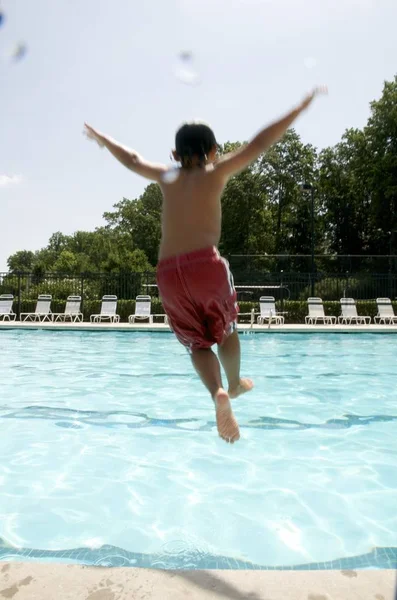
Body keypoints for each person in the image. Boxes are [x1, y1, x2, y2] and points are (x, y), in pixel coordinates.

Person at [84, 86, 326, 444]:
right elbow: (259, 143)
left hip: (168, 272)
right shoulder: (217, 172)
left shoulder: (167, 175)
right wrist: (298, 109)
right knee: (226, 330)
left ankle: (217, 394)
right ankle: (234, 383)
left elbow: (133, 159)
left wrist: (104, 139)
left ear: (174, 154)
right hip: (206, 266)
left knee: (196, 344)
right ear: (213, 151)